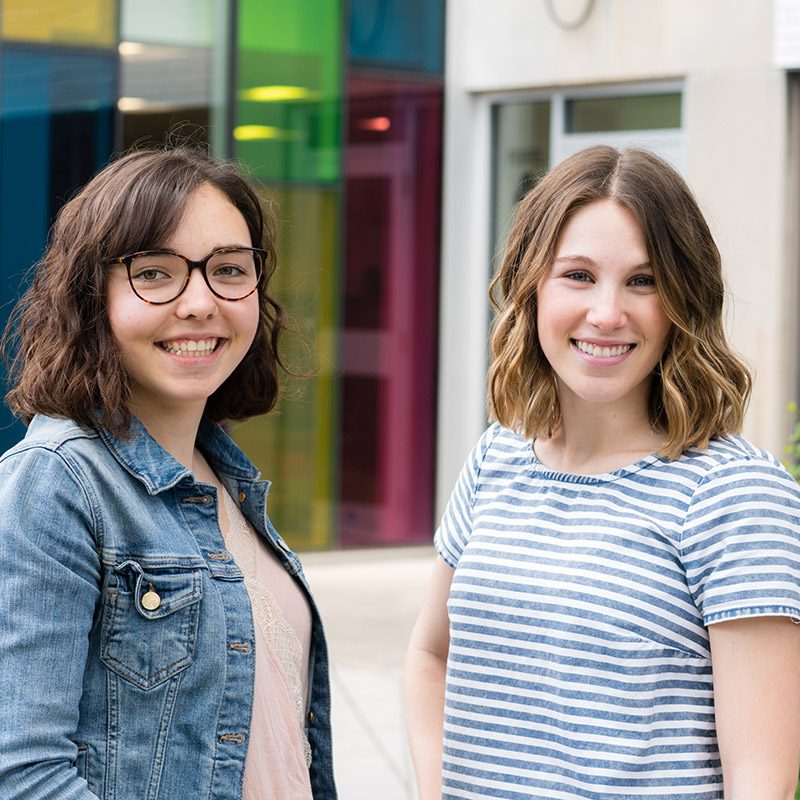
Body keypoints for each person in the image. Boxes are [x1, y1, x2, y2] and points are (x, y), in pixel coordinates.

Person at [405, 145, 800, 800]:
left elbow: (760, 779)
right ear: (533, 286)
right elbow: (430, 655)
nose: (608, 313)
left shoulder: (736, 495)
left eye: (643, 281)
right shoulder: (497, 458)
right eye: (579, 275)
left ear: (682, 301)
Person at [0, 146, 337, 800]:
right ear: (92, 296)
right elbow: (22, 775)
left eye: (228, 270)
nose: (200, 302)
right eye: (155, 273)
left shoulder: (226, 479)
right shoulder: (58, 484)